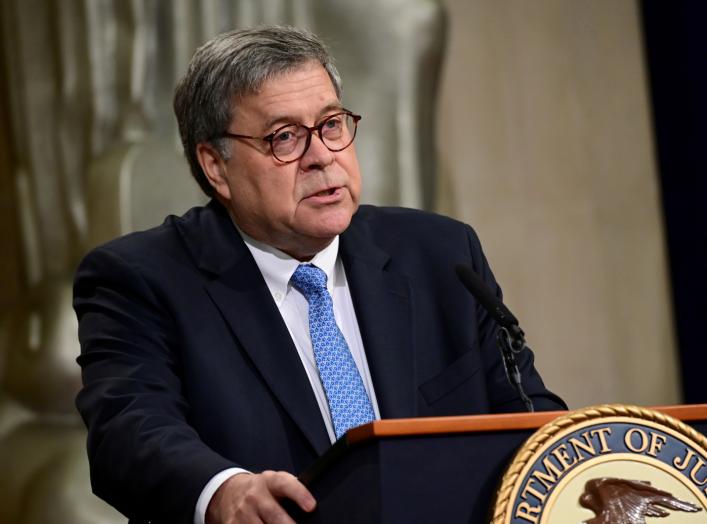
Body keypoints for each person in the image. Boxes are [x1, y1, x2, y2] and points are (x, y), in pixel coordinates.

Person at [74, 26, 565, 524]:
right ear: (216, 166)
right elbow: (129, 431)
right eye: (284, 137)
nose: (322, 156)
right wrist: (223, 490)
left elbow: (527, 414)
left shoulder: (441, 254)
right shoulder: (141, 280)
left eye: (331, 124)